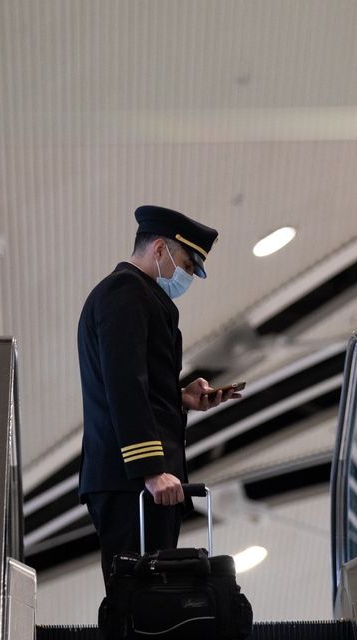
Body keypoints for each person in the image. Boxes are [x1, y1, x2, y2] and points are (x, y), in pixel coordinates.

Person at [77, 205, 240, 585]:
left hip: (136, 478)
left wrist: (180, 396)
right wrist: (151, 470)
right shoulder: (125, 292)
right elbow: (124, 384)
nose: (188, 276)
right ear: (160, 249)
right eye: (187, 264)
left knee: (154, 597)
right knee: (140, 597)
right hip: (132, 479)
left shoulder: (136, 294)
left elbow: (136, 381)